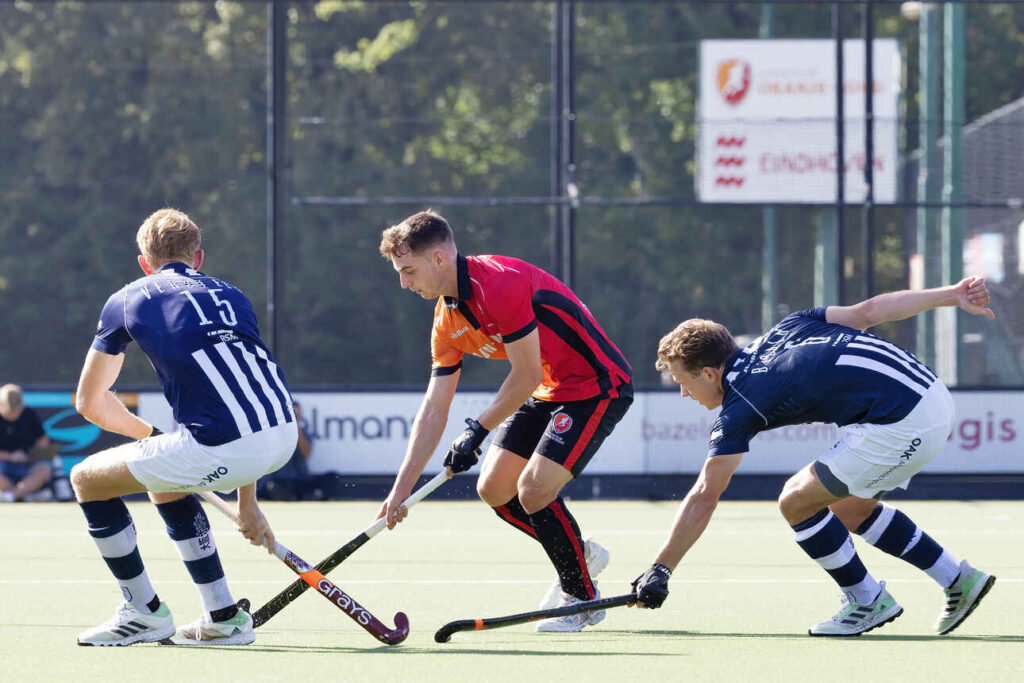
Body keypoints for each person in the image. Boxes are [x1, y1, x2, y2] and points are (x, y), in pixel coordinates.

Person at [632, 277, 997, 637]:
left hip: (902, 419)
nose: (683, 393)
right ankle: (959, 578)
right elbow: (869, 311)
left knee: (796, 501)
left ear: (709, 373)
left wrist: (661, 568)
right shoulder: (787, 326)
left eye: (684, 381)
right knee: (851, 508)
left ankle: (866, 600)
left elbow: (704, 496)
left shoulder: (740, 404)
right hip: (930, 392)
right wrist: (951, 295)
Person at [378, 210, 633, 632]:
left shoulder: (498, 283)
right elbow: (434, 408)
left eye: (408, 270)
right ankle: (578, 555)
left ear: (439, 259)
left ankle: (583, 597)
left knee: (533, 490)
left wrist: (476, 429)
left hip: (597, 385)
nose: (404, 282)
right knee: (494, 488)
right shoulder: (446, 320)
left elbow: (526, 374)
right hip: (549, 389)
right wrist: (400, 490)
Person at [71, 208, 297, 646]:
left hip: (228, 447)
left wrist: (150, 437)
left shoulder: (128, 298)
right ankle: (223, 615)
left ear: (144, 262)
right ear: (198, 259)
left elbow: (89, 402)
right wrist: (246, 500)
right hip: (282, 436)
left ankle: (143, 612)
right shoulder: (233, 295)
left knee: (87, 480)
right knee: (164, 476)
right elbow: (246, 390)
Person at [0, 384, 54, 502]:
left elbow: (42, 440)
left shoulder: (30, 414)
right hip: (3, 468)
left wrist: (31, 456)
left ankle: (11, 496)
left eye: (17, 411)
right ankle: (22, 495)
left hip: (27, 465)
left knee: (44, 470)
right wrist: (11, 456)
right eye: (10, 412)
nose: (14, 415)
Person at [258, 401, 313, 500]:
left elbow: (306, 453)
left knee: (330, 478)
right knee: (273, 487)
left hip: (299, 479)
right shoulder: (274, 433)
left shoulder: (304, 434)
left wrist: (296, 427)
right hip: (280, 479)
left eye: (296, 414)